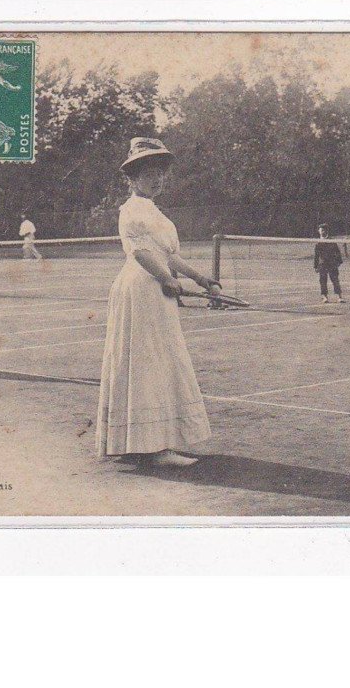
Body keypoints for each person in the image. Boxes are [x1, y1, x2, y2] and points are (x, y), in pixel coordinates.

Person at [96, 138, 219, 467]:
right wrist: (165, 278)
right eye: (149, 174)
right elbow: (140, 252)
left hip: (154, 290)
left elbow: (169, 255)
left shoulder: (153, 210)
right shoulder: (131, 210)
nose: (157, 179)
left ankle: (142, 444)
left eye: (160, 173)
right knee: (146, 362)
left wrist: (201, 278)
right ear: (132, 178)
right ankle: (154, 450)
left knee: (155, 360)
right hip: (140, 289)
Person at [313, 223, 344, 303]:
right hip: (322, 264)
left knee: (335, 280)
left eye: (323, 230)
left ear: (327, 231)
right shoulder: (318, 242)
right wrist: (315, 266)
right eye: (321, 230)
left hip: (332, 263)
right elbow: (316, 255)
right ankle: (324, 296)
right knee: (323, 280)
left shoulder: (331, 241)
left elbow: (337, 252)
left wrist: (339, 261)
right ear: (318, 231)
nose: (322, 232)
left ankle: (339, 296)